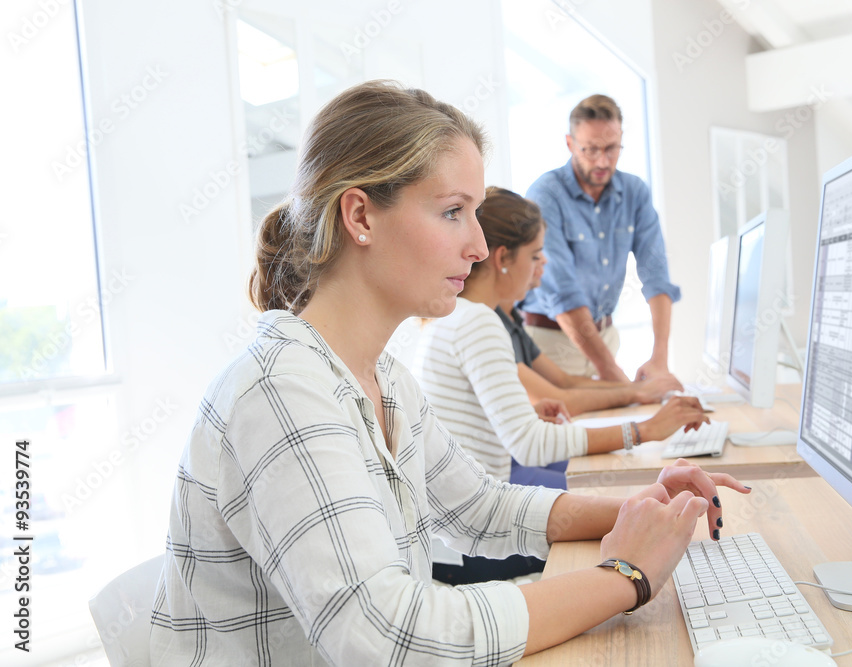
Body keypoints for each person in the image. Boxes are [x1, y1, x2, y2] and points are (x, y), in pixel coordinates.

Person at [150, 80, 749, 666]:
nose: (481, 247)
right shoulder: (281, 392)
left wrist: (638, 508)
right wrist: (625, 575)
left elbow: (477, 508)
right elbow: (387, 639)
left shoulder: (380, 378)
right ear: (360, 215)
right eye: (453, 212)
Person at [414, 185, 710, 490]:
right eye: (534, 256)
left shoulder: (458, 316)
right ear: (503, 258)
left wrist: (526, 413)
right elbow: (530, 445)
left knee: (625, 484)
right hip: (489, 492)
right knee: (627, 489)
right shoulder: (477, 322)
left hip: (486, 479)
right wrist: (644, 430)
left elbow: (475, 424)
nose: (541, 267)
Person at [520, 94, 683, 389]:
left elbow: (657, 276)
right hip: (550, 342)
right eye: (591, 149)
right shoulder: (546, 194)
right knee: (565, 432)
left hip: (606, 336)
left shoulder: (635, 192)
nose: (602, 161)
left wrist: (660, 358)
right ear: (570, 144)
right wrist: (611, 372)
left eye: (611, 149)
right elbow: (562, 292)